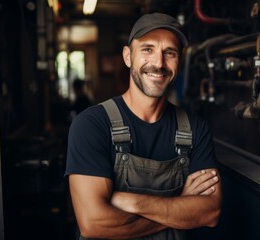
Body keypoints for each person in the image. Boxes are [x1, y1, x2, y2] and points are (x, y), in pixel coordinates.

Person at [65, 12, 222, 239]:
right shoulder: (92, 125)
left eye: (169, 53)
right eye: (147, 49)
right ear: (128, 57)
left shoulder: (195, 129)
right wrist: (179, 206)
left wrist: (132, 202)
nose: (159, 63)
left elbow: (210, 212)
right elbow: (94, 223)